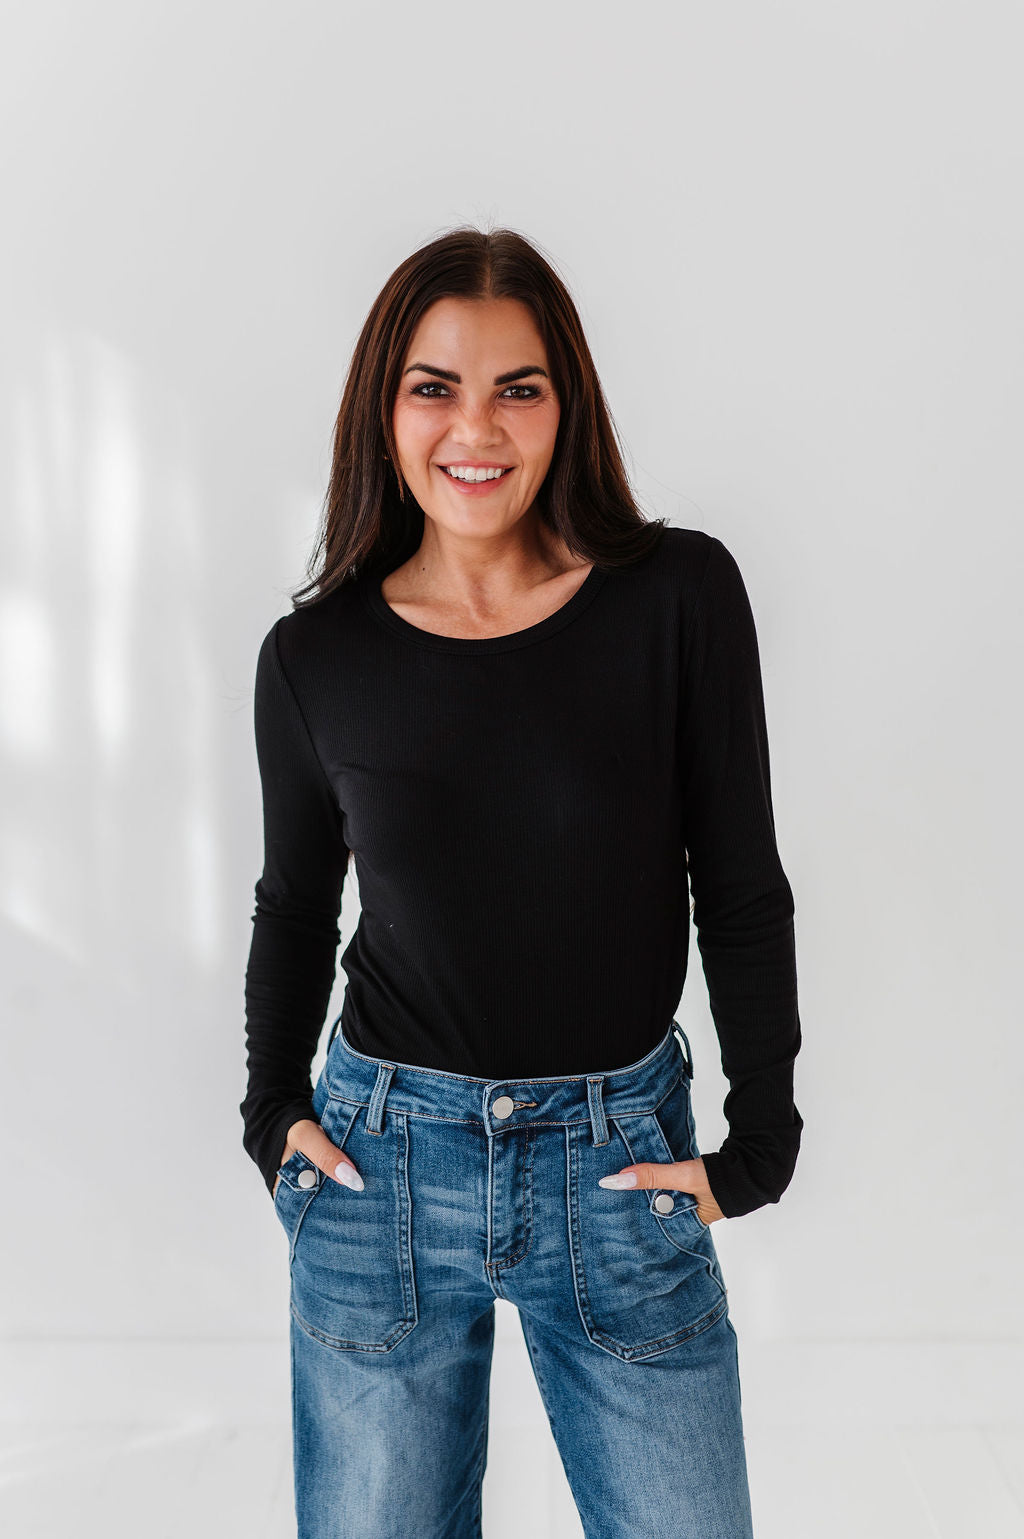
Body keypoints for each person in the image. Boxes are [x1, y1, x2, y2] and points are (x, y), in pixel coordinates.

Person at [239, 226, 803, 1539]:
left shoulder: (679, 598)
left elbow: (739, 882)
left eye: (518, 387)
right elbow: (294, 907)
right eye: (434, 386)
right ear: (385, 409)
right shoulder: (315, 658)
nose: (475, 428)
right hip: (384, 1162)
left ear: (568, 405)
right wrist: (271, 1115)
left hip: (619, 1163)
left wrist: (759, 1143)